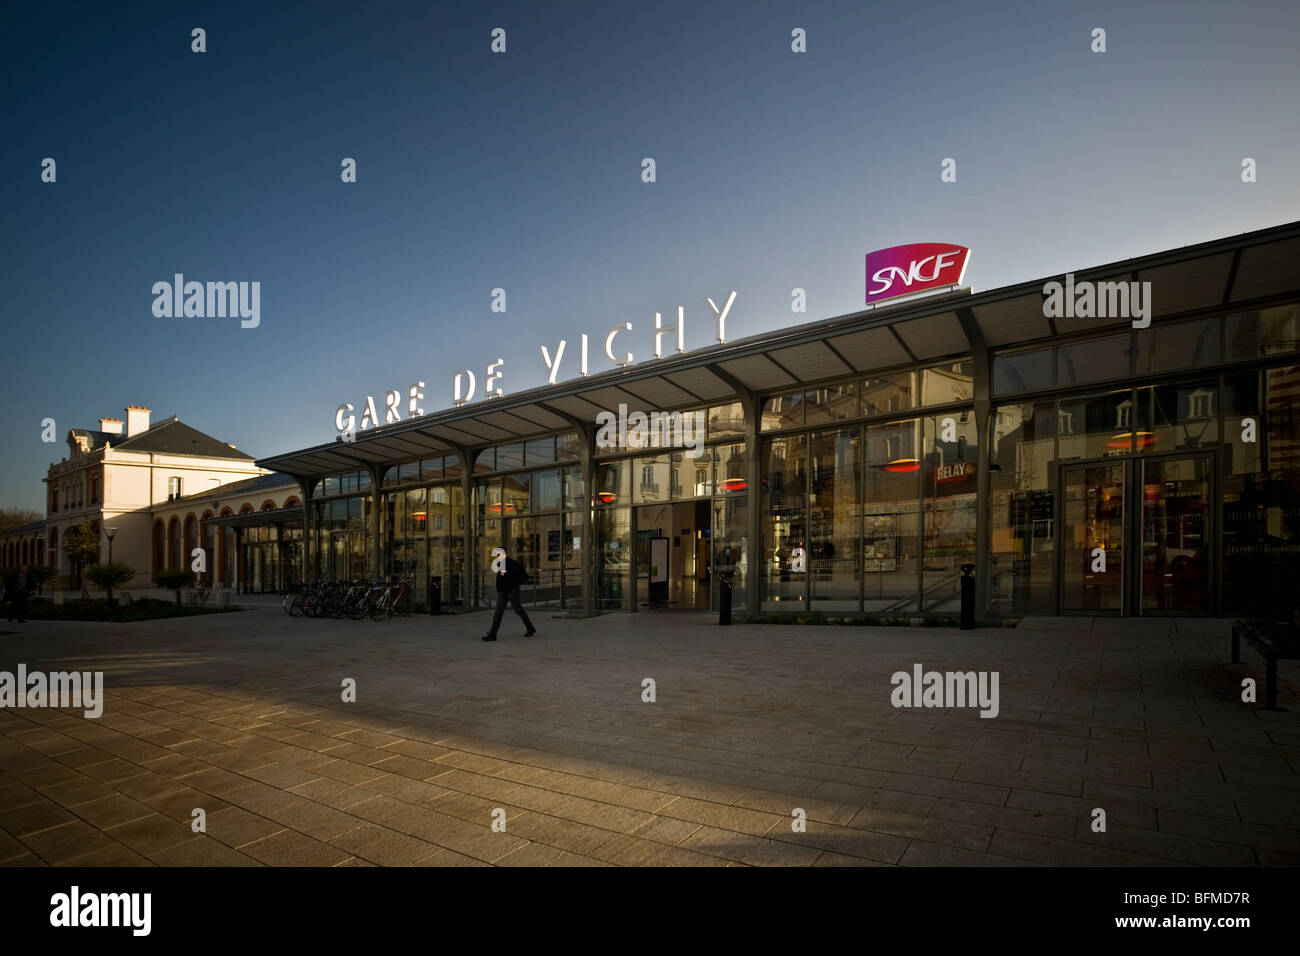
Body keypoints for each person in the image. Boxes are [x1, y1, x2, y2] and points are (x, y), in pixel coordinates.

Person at [482, 549, 535, 641]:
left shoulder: (511, 564)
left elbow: (521, 575)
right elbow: (501, 578)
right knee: (498, 613)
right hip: (503, 592)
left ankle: (530, 628)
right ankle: (492, 634)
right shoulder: (502, 564)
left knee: (518, 610)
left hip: (511, 591)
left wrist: (514, 584)